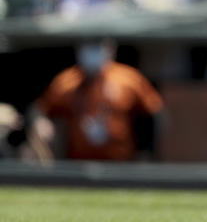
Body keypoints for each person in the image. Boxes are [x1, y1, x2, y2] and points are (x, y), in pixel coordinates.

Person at [27, 38, 164, 161]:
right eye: (89, 46)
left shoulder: (128, 78)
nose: (93, 52)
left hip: (121, 163)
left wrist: (146, 152)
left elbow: (155, 114)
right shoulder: (67, 82)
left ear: (111, 49)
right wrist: (40, 121)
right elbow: (39, 108)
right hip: (78, 165)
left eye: (98, 46)